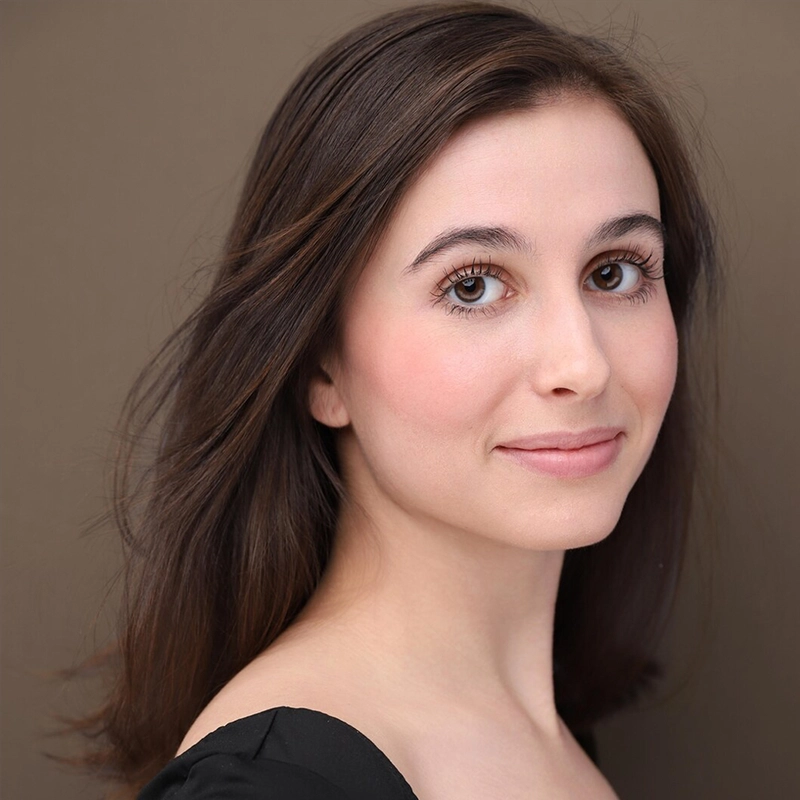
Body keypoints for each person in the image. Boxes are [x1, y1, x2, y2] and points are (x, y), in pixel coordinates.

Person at [71, 3, 717, 798]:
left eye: (615, 271)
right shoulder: (275, 787)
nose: (582, 365)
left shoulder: (541, 737)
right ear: (320, 365)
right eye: (474, 285)